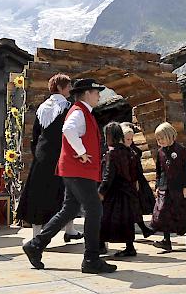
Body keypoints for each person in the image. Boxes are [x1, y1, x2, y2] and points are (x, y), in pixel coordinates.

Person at [23, 78, 117, 274]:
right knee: (94, 210)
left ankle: (36, 245)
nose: (99, 95)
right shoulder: (78, 112)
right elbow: (68, 130)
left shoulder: (82, 111)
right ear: (86, 93)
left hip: (73, 170)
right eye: (96, 92)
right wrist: (81, 152)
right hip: (78, 170)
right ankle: (91, 259)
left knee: (69, 209)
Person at [16, 73, 83, 241]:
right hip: (61, 156)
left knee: (39, 194)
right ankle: (70, 229)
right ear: (60, 88)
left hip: (41, 156)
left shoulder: (42, 107)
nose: (70, 89)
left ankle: (36, 234)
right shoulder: (69, 107)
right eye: (68, 86)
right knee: (67, 193)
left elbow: (35, 135)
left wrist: (37, 154)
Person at [150, 122, 186, 252]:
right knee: (163, 213)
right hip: (165, 187)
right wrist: (157, 185)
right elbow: (159, 170)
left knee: (183, 212)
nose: (159, 141)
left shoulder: (181, 150)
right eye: (158, 139)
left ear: (170, 136)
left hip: (179, 187)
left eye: (161, 138)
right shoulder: (160, 152)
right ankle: (166, 241)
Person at [98, 122, 143, 257]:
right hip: (127, 191)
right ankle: (130, 247)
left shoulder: (112, 153)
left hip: (114, 192)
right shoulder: (129, 151)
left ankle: (100, 246)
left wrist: (101, 191)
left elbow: (108, 174)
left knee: (104, 219)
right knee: (126, 220)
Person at [120, 122, 155, 238]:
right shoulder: (121, 151)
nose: (130, 140)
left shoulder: (132, 148)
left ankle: (145, 229)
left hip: (136, 180)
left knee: (136, 206)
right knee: (130, 207)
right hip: (128, 183)